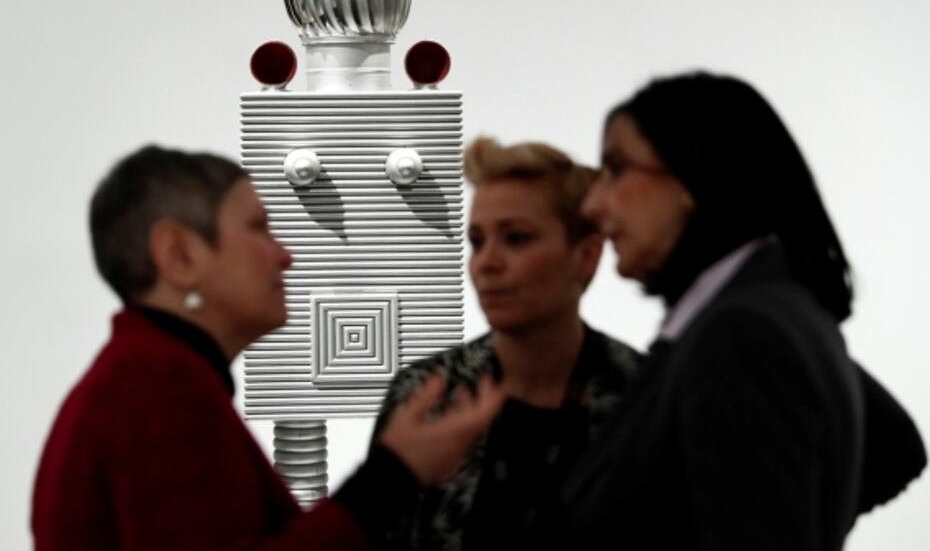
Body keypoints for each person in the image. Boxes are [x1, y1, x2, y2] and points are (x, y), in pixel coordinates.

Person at [32, 145, 505, 551]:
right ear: (179, 254)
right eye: (259, 226)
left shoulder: (141, 377)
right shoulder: (157, 388)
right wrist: (393, 475)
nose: (286, 254)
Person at [565, 71, 925, 550]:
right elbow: (894, 444)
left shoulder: (741, 336)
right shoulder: (768, 313)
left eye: (616, 168)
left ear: (691, 173)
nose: (592, 205)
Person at [371, 138, 641, 550]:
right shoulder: (427, 396)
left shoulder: (641, 393)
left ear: (586, 256)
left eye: (516, 238)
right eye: (477, 241)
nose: (486, 263)